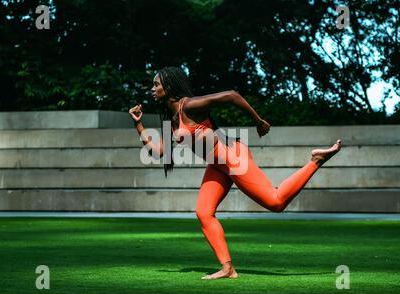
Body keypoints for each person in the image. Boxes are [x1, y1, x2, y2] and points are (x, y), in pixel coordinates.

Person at [129, 66, 341, 280]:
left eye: (156, 84)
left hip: (233, 158)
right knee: (203, 212)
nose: (152, 88)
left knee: (276, 202)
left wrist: (258, 121)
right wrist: (139, 124)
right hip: (217, 166)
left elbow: (231, 96)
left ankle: (316, 161)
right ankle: (227, 268)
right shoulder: (171, 119)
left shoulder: (190, 106)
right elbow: (160, 153)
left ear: (170, 86)